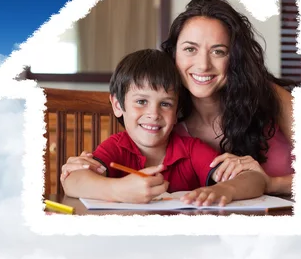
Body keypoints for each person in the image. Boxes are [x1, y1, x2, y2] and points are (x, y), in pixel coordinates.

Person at [60, 49, 267, 206]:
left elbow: (255, 179)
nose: (154, 114)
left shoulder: (191, 150)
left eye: (165, 104)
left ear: (177, 111)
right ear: (118, 105)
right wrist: (118, 190)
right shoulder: (115, 147)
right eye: (141, 101)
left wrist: (226, 189)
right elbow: (73, 181)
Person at [160, 0, 296, 195]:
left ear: (235, 58)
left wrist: (271, 183)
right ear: (174, 54)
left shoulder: (270, 96)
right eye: (190, 49)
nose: (203, 65)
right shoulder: (164, 114)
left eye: (218, 52)